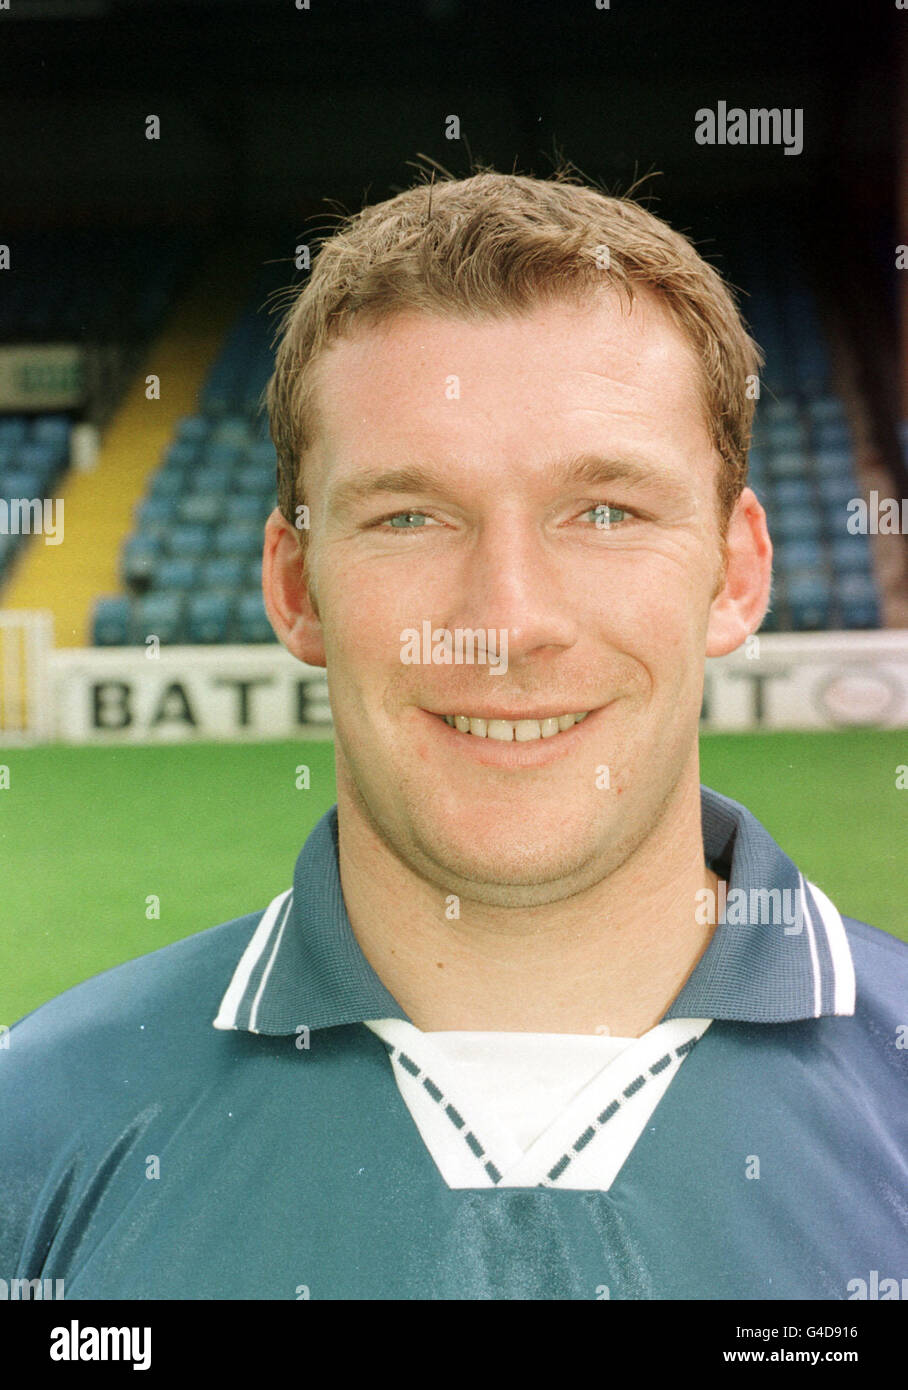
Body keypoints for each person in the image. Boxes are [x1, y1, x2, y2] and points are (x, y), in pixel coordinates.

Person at [1, 169, 905, 1301]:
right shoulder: (34, 1128)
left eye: (605, 512)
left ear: (735, 572)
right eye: (410, 516)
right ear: (296, 587)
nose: (505, 622)